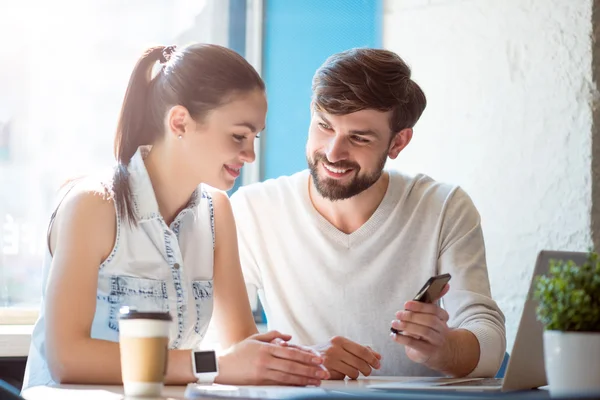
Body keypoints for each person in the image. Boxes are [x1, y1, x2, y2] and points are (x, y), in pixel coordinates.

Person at [21, 43, 329, 390]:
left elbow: (241, 352)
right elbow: (69, 360)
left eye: (254, 137)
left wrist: (310, 360)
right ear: (179, 122)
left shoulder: (217, 211)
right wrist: (211, 364)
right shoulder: (93, 205)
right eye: (238, 135)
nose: (250, 154)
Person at [230, 48, 507, 380]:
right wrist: (306, 361)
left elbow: (490, 341)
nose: (333, 152)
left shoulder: (443, 207)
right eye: (324, 126)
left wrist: (445, 349)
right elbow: (224, 349)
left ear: (397, 143)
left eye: (358, 138)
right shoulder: (255, 209)